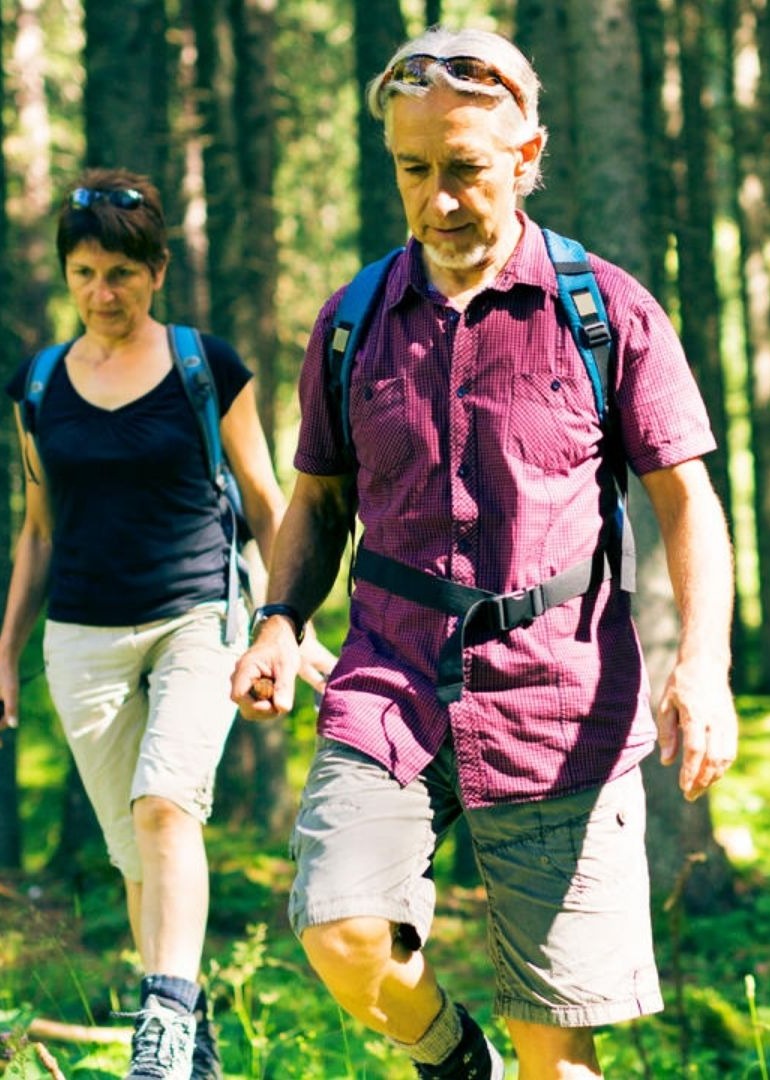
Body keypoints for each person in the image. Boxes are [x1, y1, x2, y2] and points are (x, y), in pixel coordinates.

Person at [230, 25, 738, 1080]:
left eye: (462, 168)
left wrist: (702, 664)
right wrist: (279, 621)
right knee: (337, 921)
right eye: (414, 170)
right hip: (389, 682)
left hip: (560, 700)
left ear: (526, 153)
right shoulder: (351, 322)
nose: (438, 197)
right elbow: (319, 503)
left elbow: (686, 503)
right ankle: (455, 1060)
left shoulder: (604, 312)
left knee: (561, 1059)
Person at [0, 167, 334, 1080]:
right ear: (67, 276)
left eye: (120, 272)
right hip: (81, 636)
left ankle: (160, 1030)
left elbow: (268, 502)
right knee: (132, 852)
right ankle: (195, 1046)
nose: (102, 293)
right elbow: (38, 531)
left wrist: (288, 620)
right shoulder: (37, 383)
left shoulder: (204, 365)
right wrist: (5, 652)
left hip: (201, 614)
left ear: (155, 271)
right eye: (83, 274)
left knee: (164, 804)